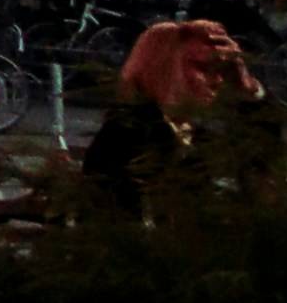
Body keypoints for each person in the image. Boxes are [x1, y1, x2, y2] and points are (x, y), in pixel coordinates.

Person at [79, 17, 251, 213]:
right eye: (203, 67)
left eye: (221, 70)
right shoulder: (125, 138)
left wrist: (247, 88)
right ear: (162, 67)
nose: (218, 80)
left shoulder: (199, 136)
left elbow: (264, 162)